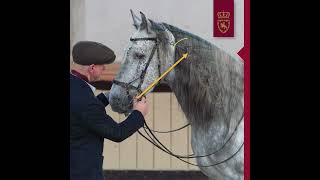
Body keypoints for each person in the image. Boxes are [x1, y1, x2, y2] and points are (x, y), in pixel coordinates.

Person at [70, 41, 148, 180]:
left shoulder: (75, 88)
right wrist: (139, 113)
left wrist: (106, 96)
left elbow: (80, 113)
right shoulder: (85, 102)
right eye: (102, 66)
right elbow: (117, 133)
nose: (105, 68)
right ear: (92, 68)